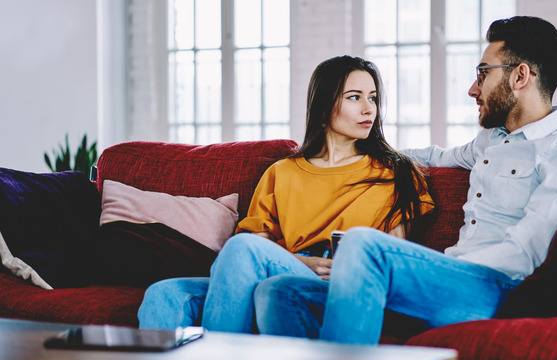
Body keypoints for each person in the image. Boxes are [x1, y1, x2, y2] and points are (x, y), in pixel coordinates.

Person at [253, 16, 557, 344]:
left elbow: (528, 253)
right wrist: (367, 154)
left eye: (483, 74)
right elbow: (438, 157)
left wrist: (443, 267)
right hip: (452, 281)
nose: (473, 88)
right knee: (281, 291)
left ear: (520, 76)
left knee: (362, 245)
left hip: (501, 289)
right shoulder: (495, 139)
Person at [137, 55, 433, 333]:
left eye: (373, 98)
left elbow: (394, 258)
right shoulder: (282, 172)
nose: (369, 109)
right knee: (163, 294)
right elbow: (257, 246)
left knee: (243, 249)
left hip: (338, 281)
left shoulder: (395, 173)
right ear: (323, 105)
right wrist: (304, 263)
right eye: (354, 97)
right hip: (284, 266)